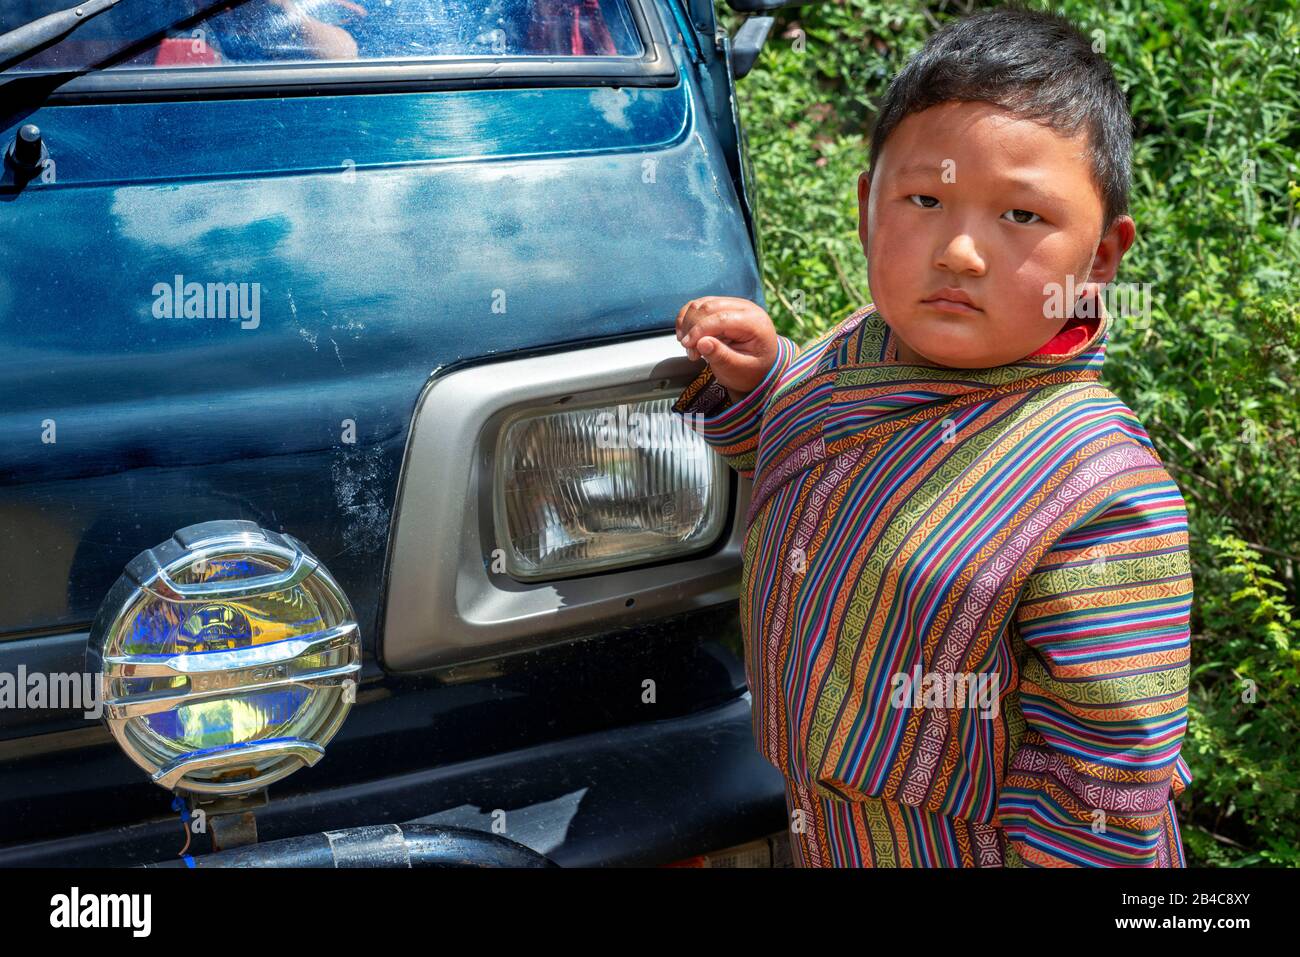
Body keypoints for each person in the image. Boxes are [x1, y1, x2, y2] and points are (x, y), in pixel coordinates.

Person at [672, 6, 1193, 867]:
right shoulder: (854, 353)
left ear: (1101, 258)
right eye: (923, 199)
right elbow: (806, 461)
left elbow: (1107, 781)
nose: (959, 251)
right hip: (829, 833)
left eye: (1021, 216)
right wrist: (760, 382)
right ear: (867, 206)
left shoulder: (1100, 495)